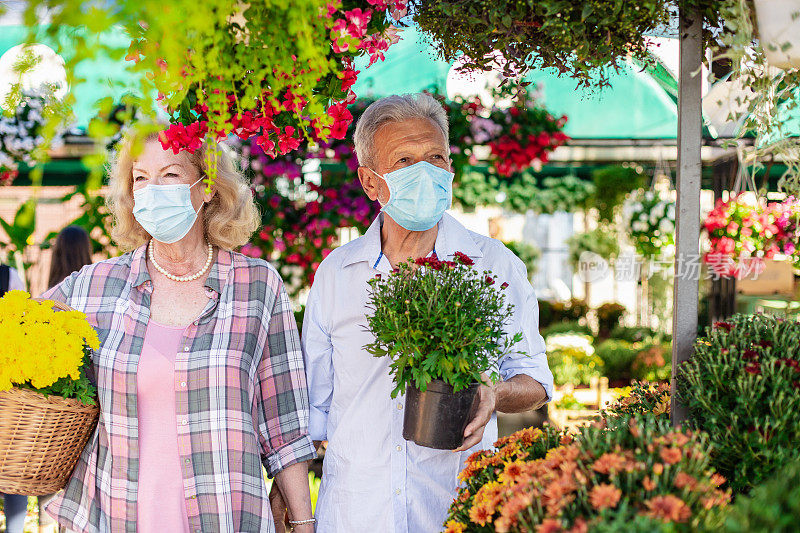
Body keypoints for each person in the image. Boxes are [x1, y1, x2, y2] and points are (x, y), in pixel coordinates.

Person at [294, 93, 555, 531]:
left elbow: (537, 383)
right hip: (357, 514)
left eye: (436, 157)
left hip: (454, 509)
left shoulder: (494, 265)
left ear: (450, 169)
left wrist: (493, 394)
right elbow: (312, 410)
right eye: (405, 161)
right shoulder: (337, 274)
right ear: (370, 182)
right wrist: (294, 504)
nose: (426, 172)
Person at [42, 132, 317, 533]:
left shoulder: (258, 286)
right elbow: (16, 332)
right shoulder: (92, 287)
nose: (152, 191)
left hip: (226, 517)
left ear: (206, 187)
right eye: (140, 178)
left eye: (169, 175)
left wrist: (304, 522)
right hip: (117, 518)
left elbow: (286, 425)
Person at [1, 262, 28, 533]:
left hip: (7, 387)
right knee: (12, 465)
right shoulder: (9, 275)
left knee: (12, 466)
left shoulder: (9, 275)